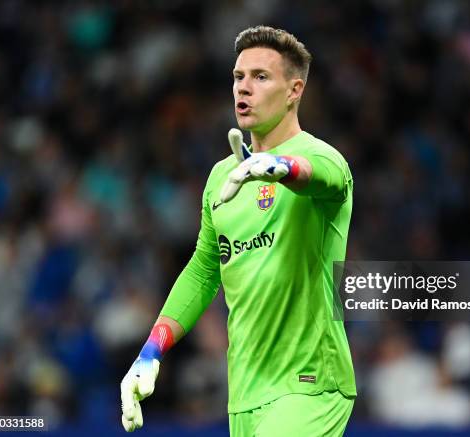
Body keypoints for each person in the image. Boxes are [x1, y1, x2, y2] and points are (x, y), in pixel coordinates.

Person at [120, 25, 357, 436]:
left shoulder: (318, 156)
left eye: (260, 77)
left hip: (309, 385)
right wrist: (151, 351)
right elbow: (203, 270)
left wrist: (280, 168)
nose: (244, 88)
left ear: (294, 90)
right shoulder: (221, 178)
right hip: (245, 393)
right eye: (238, 77)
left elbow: (326, 179)